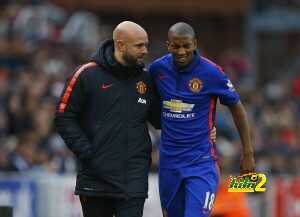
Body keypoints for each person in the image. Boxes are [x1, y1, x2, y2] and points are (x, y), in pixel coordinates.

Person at [149, 22, 255, 217]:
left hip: (200, 163)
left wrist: (247, 152)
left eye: (186, 45)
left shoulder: (212, 73)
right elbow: (146, 103)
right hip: (169, 163)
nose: (181, 51)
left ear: (195, 44)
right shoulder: (157, 69)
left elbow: (237, 107)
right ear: (168, 45)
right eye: (176, 46)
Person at [54, 21, 160, 217]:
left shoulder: (146, 80)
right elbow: (63, 116)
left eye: (146, 44)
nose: (145, 51)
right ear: (120, 44)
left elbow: (161, 120)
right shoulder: (86, 74)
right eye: (139, 45)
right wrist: (87, 151)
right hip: (95, 178)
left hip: (133, 180)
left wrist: (200, 123)